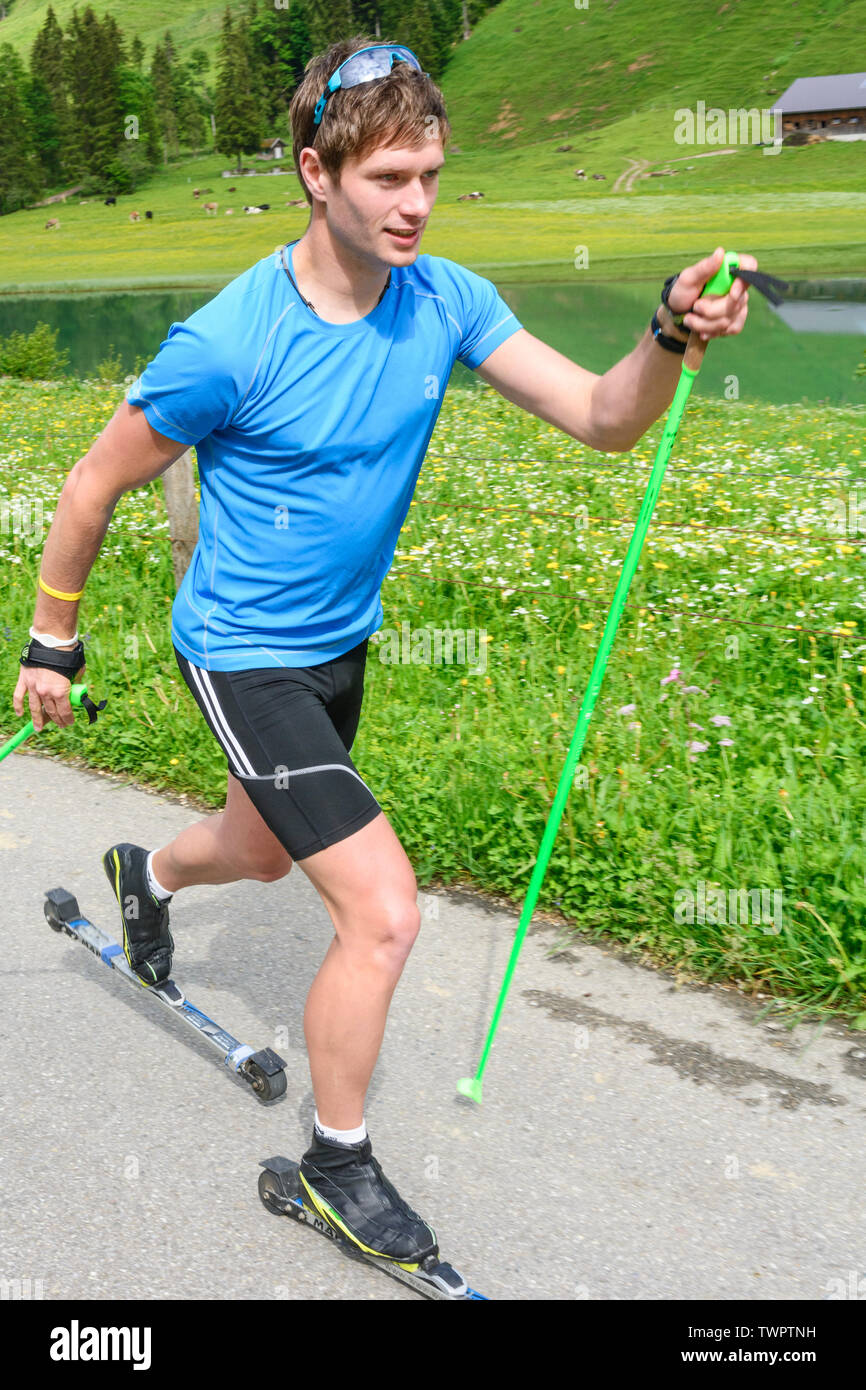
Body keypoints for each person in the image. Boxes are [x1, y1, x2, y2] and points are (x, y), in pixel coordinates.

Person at [13, 34, 756, 1271]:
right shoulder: (228, 341)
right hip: (240, 650)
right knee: (382, 911)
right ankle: (334, 1166)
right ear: (316, 172)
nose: (415, 205)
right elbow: (90, 485)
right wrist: (52, 641)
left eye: (429, 177)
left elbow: (599, 418)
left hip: (334, 648)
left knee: (256, 845)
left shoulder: (444, 299)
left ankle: (145, 872)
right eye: (387, 179)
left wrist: (667, 333)